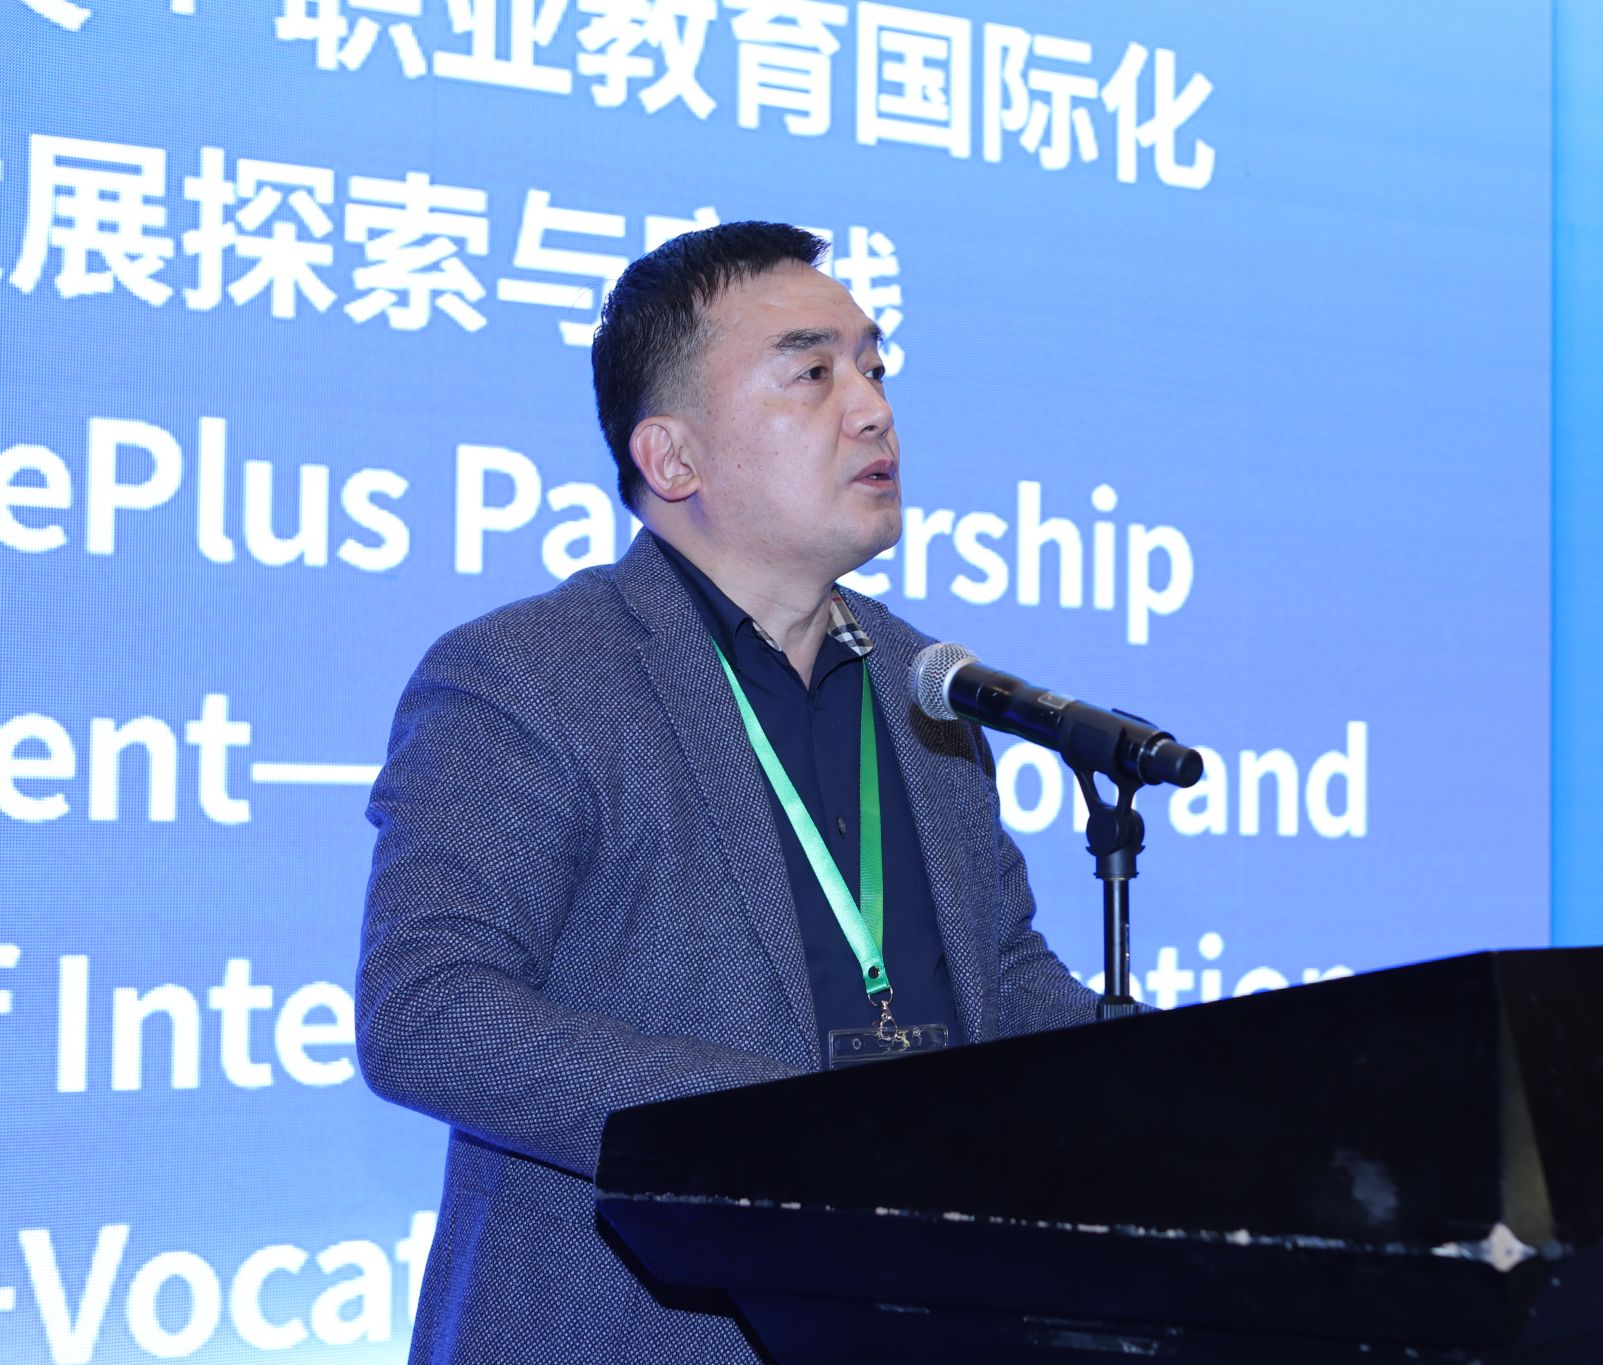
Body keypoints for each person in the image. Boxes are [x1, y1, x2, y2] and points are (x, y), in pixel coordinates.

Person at [356, 221, 1103, 1364]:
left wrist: (1202, 1091)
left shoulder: (923, 685)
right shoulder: (530, 676)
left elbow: (998, 981)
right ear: (672, 460)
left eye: (874, 367)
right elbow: (428, 1014)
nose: (871, 409)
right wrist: (786, 1129)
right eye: (811, 373)